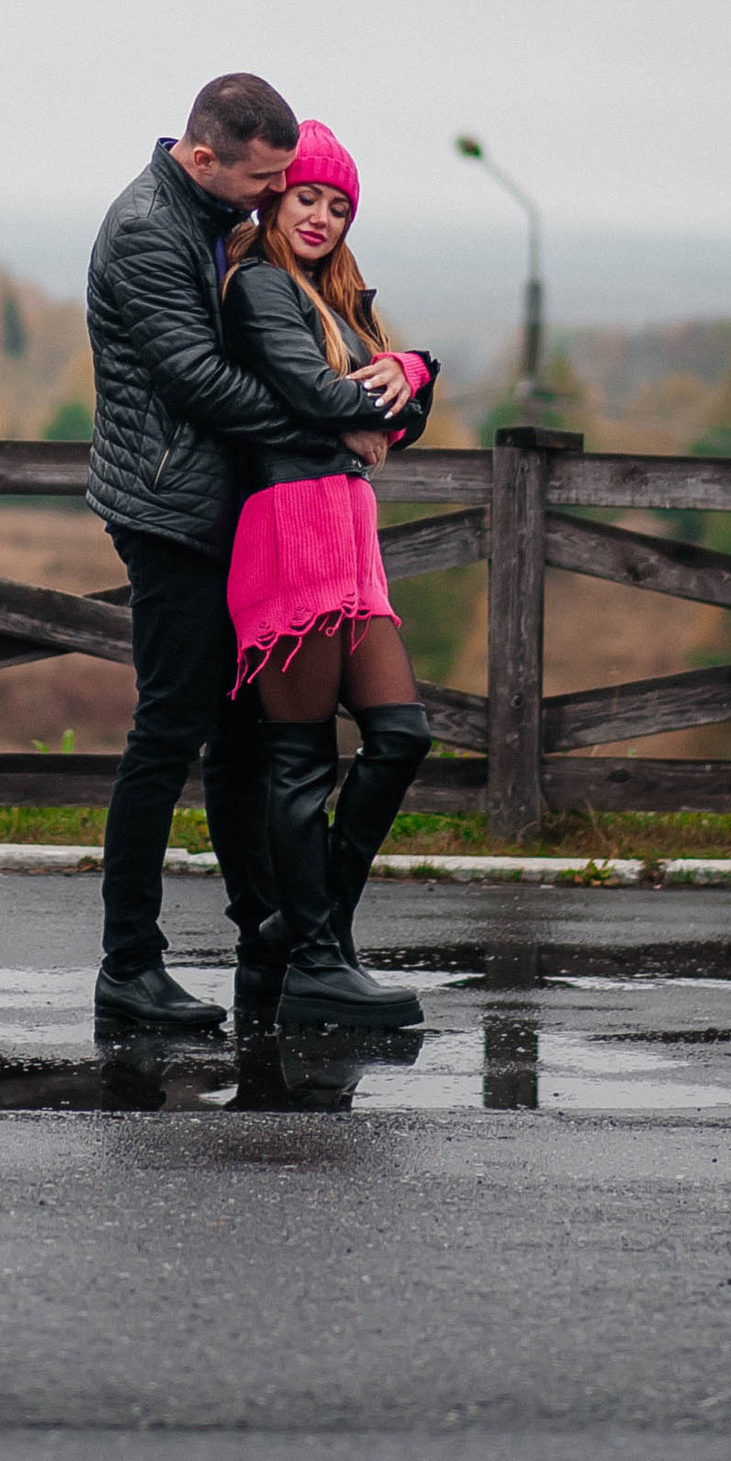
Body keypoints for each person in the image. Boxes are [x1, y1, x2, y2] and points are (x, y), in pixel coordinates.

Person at [84, 74, 409, 1033]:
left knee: (237, 741)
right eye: (263, 180)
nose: (273, 198)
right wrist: (336, 421)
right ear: (203, 157)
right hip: (170, 514)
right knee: (168, 733)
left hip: (221, 514)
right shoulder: (150, 226)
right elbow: (197, 381)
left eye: (287, 182)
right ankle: (128, 965)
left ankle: (267, 935)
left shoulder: (210, 218)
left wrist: (384, 389)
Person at [220, 122, 439, 1028]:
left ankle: (297, 933)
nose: (321, 216)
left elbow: (399, 405)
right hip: (289, 524)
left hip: (349, 534)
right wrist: (372, 403)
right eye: (308, 195)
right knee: (302, 759)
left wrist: (412, 371)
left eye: (339, 205)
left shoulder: (338, 298)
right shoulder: (261, 286)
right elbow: (315, 395)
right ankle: (313, 957)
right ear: (276, 196)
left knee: (402, 736)